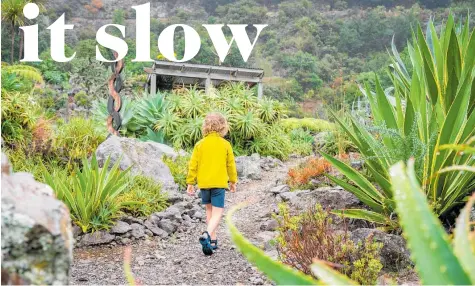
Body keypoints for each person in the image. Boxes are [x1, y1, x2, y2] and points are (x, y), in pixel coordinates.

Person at [186, 112, 237, 255]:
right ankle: (207, 234)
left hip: (204, 184)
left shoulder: (199, 144)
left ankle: (213, 241)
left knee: (209, 210)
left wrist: (190, 182)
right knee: (218, 212)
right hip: (219, 184)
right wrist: (233, 181)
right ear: (223, 127)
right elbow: (231, 165)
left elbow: (193, 164)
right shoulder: (225, 144)